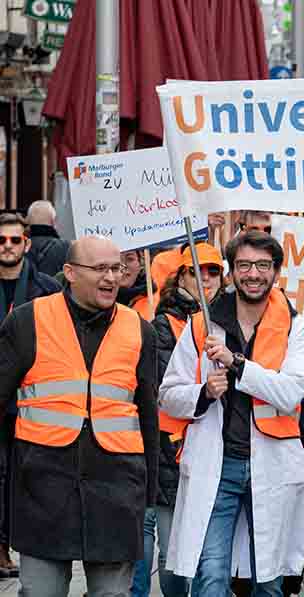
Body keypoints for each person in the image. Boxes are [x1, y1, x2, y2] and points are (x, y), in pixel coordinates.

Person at [0, 235, 159, 596]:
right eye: (99, 268)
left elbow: (148, 415)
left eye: (116, 268)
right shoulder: (28, 322)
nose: (111, 277)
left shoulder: (140, 331)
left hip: (117, 492)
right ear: (69, 272)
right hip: (42, 490)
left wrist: (148, 495)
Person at [159, 231, 304, 597]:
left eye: (262, 265)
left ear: (276, 272)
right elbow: (168, 395)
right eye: (244, 265)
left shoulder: (298, 327)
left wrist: (237, 365)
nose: (253, 274)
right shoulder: (201, 325)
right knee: (210, 575)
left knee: (269, 580)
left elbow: (290, 393)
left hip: (273, 465)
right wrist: (204, 393)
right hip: (218, 464)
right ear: (232, 272)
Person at [133, 243, 224, 597]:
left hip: (211, 444)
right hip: (171, 447)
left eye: (213, 271)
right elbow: (163, 387)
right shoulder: (162, 323)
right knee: (173, 548)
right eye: (196, 271)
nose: (205, 277)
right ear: (180, 276)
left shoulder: (227, 318)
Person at [0, 212, 61, 578]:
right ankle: (1, 548)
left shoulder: (46, 289)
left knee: (23, 475)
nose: (7, 247)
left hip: (32, 398)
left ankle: (17, 544)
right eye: (0, 241)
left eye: (13, 240)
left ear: (26, 244)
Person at [25, 200, 70, 278]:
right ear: (53, 221)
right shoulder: (66, 247)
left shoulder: (19, 244)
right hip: (57, 290)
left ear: (28, 221)